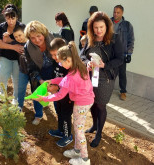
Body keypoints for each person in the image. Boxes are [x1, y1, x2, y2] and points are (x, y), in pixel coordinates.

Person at [34, 41, 94, 165]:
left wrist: (43, 98)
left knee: (79, 131)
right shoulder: (80, 66)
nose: (60, 64)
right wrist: (52, 80)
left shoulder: (71, 75)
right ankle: (77, 150)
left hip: (81, 103)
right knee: (78, 128)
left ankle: (84, 159)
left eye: (61, 61)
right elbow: (63, 79)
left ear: (68, 59)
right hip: (87, 100)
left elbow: (59, 95)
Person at [80, 11, 124, 148]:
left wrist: (105, 65)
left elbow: (120, 59)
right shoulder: (89, 38)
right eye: (95, 27)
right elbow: (81, 55)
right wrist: (86, 62)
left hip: (106, 78)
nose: (98, 31)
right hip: (90, 78)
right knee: (93, 103)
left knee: (101, 105)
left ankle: (99, 133)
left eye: (101, 27)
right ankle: (94, 125)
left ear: (107, 27)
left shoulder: (114, 38)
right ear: (91, 27)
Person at [24, 20, 55, 125]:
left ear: (43, 33)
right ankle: (38, 114)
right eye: (32, 38)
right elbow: (31, 67)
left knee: (57, 92)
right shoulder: (27, 48)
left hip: (53, 71)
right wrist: (40, 80)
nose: (36, 40)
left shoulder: (54, 41)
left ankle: (59, 113)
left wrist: (55, 79)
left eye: (38, 36)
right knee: (37, 94)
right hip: (38, 73)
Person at [0, 4, 25, 104]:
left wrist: (9, 40)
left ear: (17, 17)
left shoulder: (22, 27)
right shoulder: (2, 27)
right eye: (8, 18)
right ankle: (2, 94)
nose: (10, 21)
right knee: (2, 75)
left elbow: (24, 42)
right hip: (5, 56)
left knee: (17, 79)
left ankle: (16, 99)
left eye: (13, 18)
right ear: (5, 18)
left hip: (18, 58)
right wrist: (14, 46)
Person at [48, 38, 74, 147]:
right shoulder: (55, 63)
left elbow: (68, 83)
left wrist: (56, 88)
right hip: (58, 96)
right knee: (59, 112)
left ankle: (68, 136)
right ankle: (60, 131)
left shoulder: (68, 66)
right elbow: (55, 77)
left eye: (56, 55)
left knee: (66, 115)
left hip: (67, 97)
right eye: (52, 55)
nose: (54, 58)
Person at [111, 5, 135, 101]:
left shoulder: (127, 25)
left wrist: (129, 54)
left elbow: (131, 40)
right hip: (110, 52)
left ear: (122, 13)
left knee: (122, 73)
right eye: (114, 12)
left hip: (121, 54)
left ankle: (123, 92)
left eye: (118, 12)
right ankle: (107, 89)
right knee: (109, 72)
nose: (115, 14)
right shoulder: (108, 22)